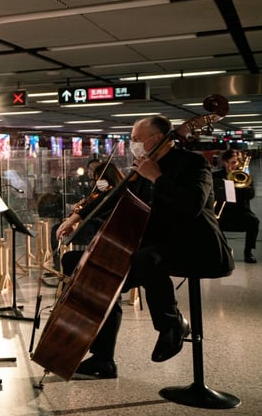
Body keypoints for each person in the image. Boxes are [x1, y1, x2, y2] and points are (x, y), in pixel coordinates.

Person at [62, 115, 232, 379]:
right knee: (90, 270)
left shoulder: (192, 163)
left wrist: (158, 178)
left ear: (156, 138)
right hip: (156, 244)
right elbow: (115, 196)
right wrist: (79, 216)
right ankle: (103, 358)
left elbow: (192, 207)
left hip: (195, 246)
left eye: (136, 139)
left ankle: (171, 324)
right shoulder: (141, 167)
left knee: (146, 259)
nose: (133, 145)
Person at [212, 149, 259, 263]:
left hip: (240, 212)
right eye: (227, 162)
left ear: (239, 162)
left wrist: (240, 186)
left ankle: (248, 252)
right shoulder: (216, 176)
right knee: (211, 222)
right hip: (222, 212)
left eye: (233, 162)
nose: (230, 166)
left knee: (254, 221)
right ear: (223, 162)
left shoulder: (244, 176)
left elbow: (251, 195)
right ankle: (222, 250)